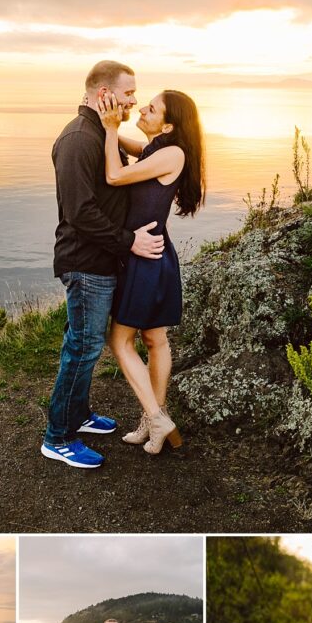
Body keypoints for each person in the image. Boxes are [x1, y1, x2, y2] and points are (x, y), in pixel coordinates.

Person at [41, 61, 166, 470]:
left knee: (83, 344)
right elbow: (80, 213)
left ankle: (77, 415)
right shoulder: (79, 140)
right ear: (104, 95)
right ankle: (57, 437)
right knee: (83, 348)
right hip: (85, 262)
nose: (134, 100)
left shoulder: (100, 132)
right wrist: (130, 242)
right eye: (128, 93)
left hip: (101, 260)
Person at [96, 88, 206, 454]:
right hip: (152, 255)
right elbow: (133, 148)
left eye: (152, 108)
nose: (142, 108)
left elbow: (113, 176)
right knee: (153, 339)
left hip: (146, 257)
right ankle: (153, 420)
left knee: (120, 340)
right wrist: (106, 127)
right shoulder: (156, 150)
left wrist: (110, 130)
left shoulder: (170, 153)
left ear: (169, 124)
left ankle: (157, 418)